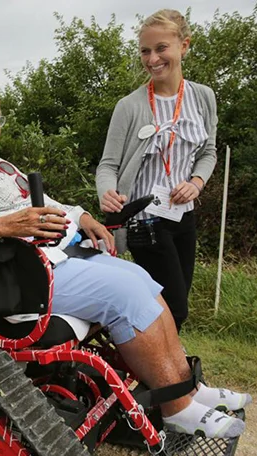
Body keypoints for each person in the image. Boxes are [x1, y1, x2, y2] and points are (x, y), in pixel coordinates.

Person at [0, 76, 248, 439]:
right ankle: (177, 408)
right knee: (125, 294)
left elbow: (44, 203)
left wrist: (82, 216)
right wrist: (3, 224)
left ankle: (188, 387)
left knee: (143, 280)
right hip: (11, 276)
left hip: (45, 258)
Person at [96, 9, 216, 333]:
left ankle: (154, 358)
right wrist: (106, 192)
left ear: (184, 45)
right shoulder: (129, 106)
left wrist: (196, 183)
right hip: (144, 220)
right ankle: (163, 363)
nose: (152, 59)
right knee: (174, 307)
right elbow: (108, 165)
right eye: (145, 51)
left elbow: (208, 152)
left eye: (161, 48)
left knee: (172, 304)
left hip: (183, 218)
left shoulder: (203, 98)